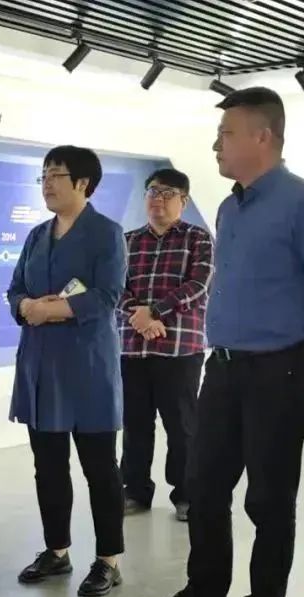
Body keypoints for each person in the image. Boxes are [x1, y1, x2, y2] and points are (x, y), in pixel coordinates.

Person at [140, 87, 304, 597]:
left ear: (263, 137)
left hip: (280, 371)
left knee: (269, 499)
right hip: (224, 369)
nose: (216, 145)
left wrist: (300, 356)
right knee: (205, 487)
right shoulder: (229, 209)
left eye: (226, 134)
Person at [7, 145, 128, 597]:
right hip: (41, 366)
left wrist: (51, 310)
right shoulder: (37, 235)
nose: (47, 184)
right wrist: (25, 306)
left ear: (83, 183)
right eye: (43, 176)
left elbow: (107, 295)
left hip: (87, 366)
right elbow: (16, 288)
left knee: (100, 468)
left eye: (55, 175)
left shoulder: (106, 233)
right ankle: (56, 551)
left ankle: (108, 560)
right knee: (49, 467)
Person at [119, 168, 213, 522]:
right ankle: (135, 491)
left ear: (183, 201)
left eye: (167, 193)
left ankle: (187, 495)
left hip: (180, 349)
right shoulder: (126, 241)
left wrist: (155, 312)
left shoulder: (198, 239)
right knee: (135, 425)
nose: (158, 199)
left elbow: (198, 285)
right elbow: (114, 286)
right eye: (153, 192)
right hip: (132, 347)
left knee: (182, 426)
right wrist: (139, 316)